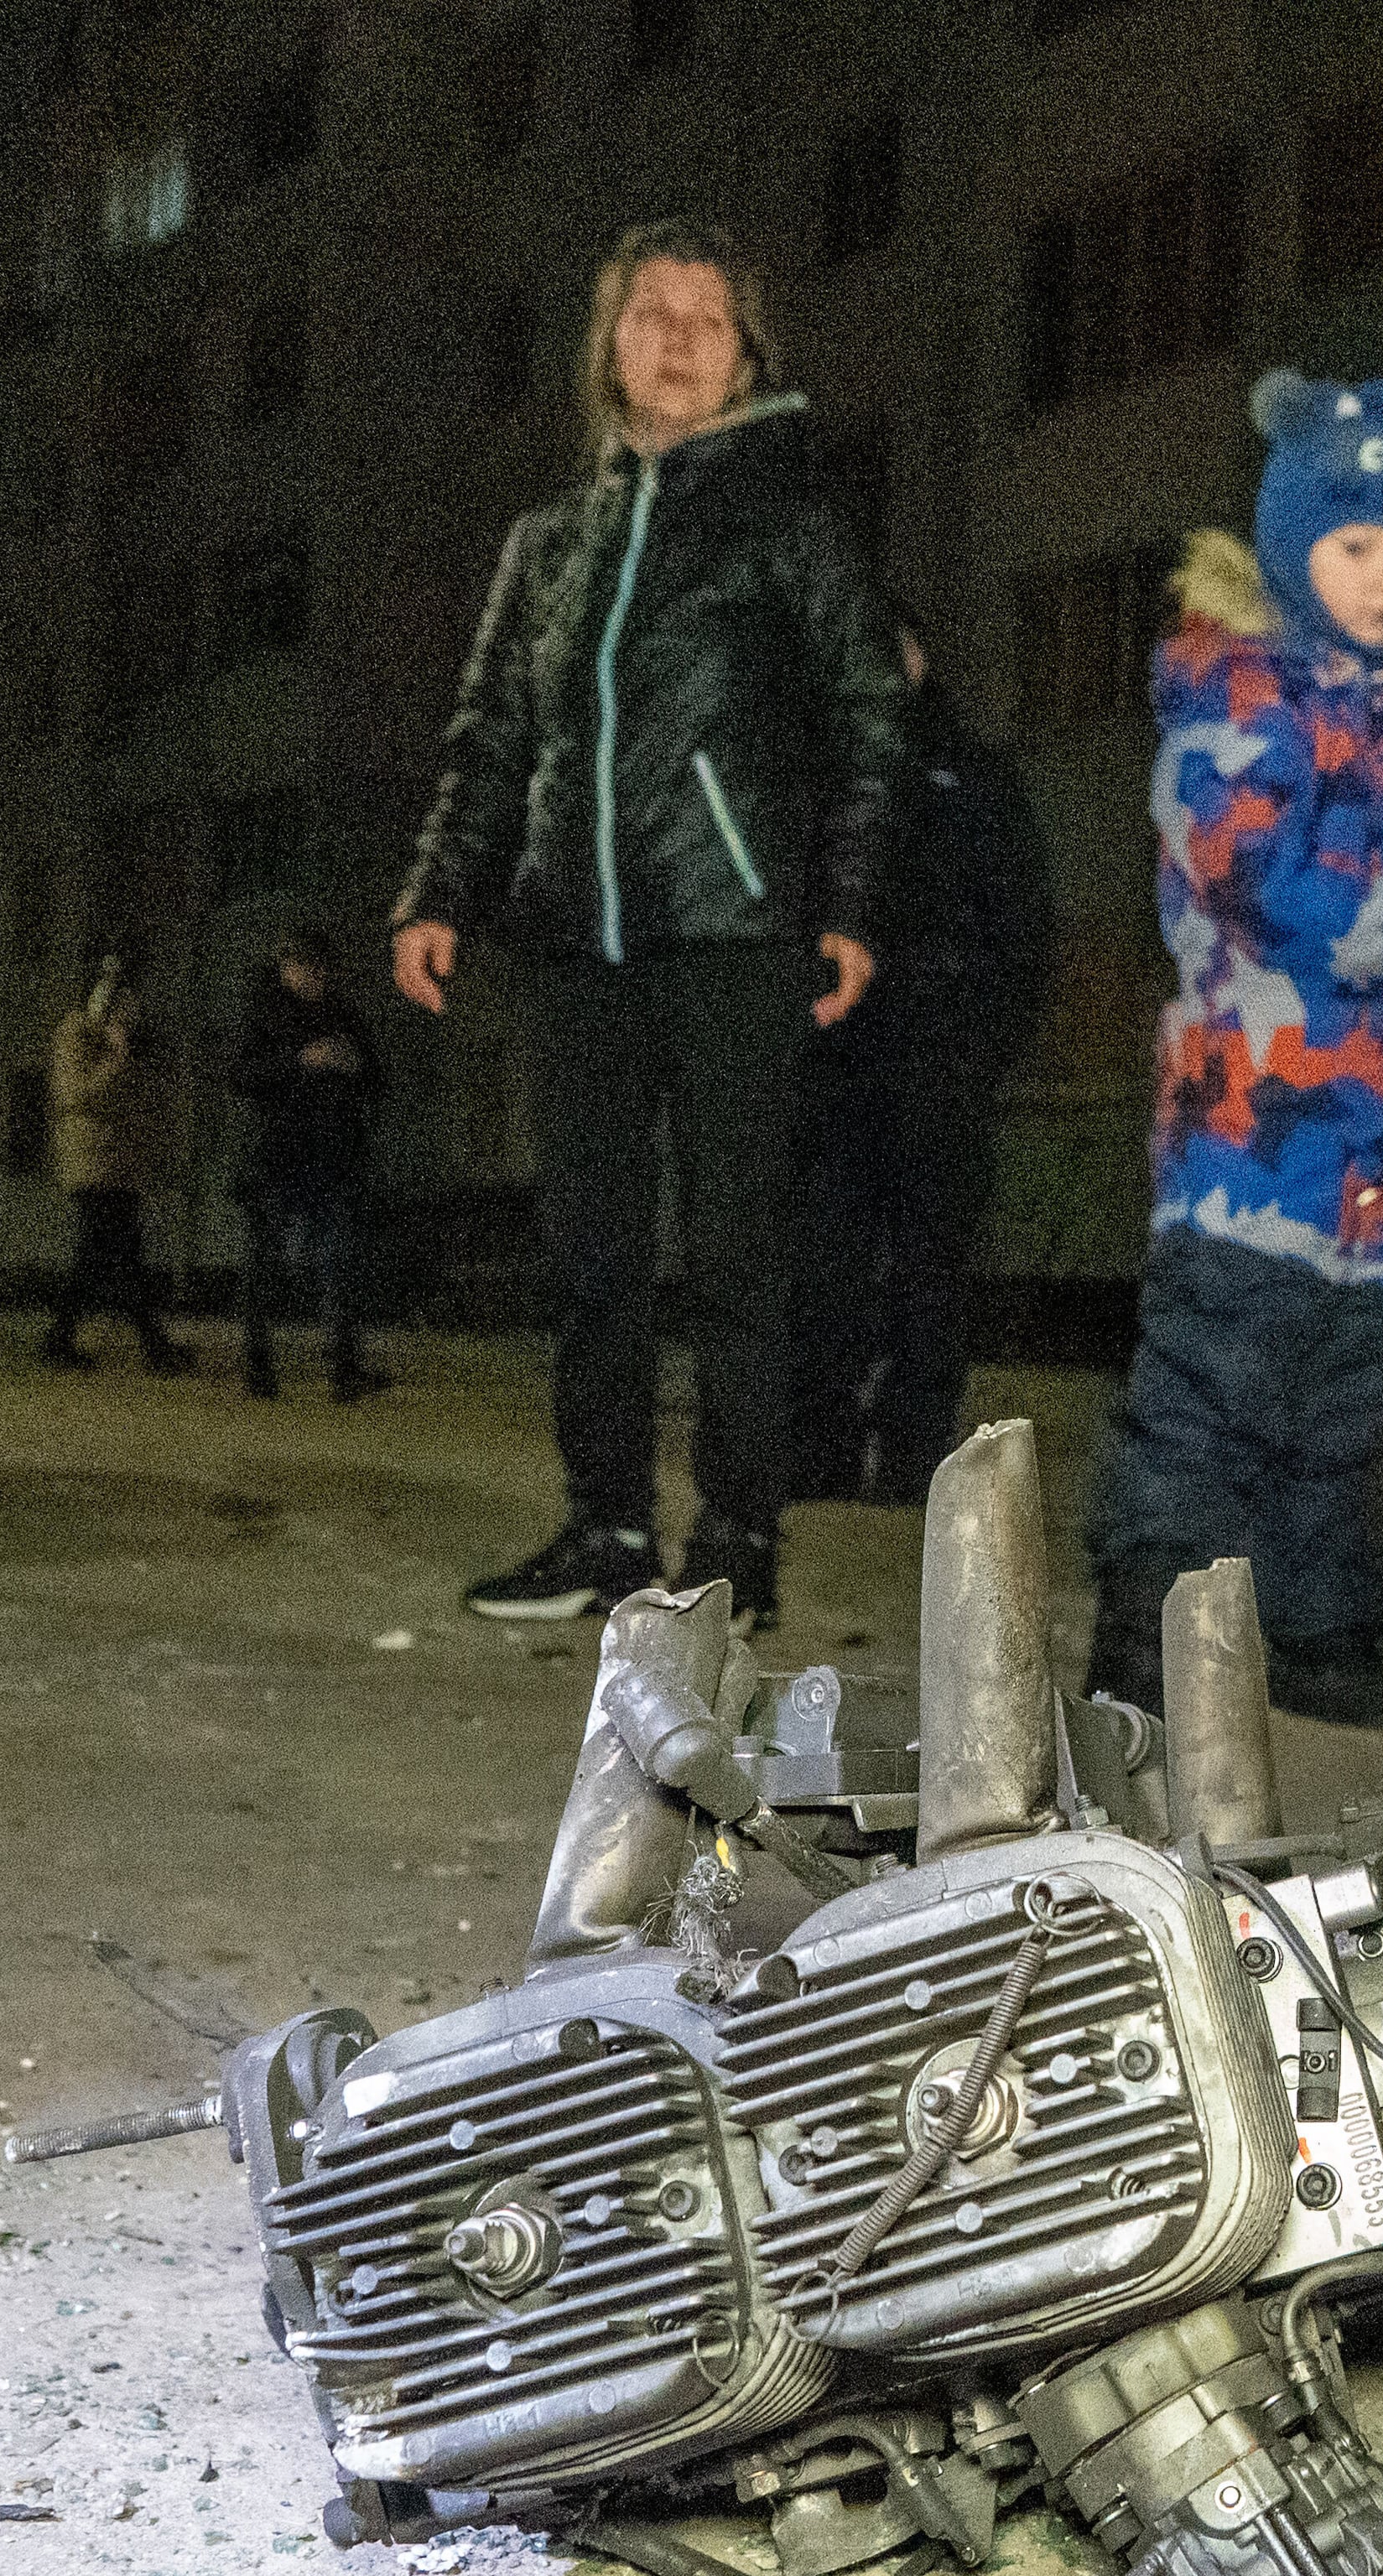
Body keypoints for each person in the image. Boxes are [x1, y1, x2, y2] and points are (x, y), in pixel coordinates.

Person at [390, 220, 907, 1632]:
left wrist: (849, 907)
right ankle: (606, 1527)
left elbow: (872, 716)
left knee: (739, 1257)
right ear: (607, 345)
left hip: (736, 933)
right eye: (649, 314)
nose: (677, 336)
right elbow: (494, 732)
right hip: (576, 946)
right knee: (592, 1259)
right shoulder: (548, 544)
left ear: (749, 356)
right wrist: (444, 892)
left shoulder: (791, 525)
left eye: (708, 317)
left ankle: (739, 1539)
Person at [1082, 371, 1383, 1731]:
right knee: (1214, 1391)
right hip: (1251, 1137)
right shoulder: (1239, 698)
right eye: (1357, 548)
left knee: (1352, 1407)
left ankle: (1321, 1627)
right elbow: (1240, 873)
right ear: (1297, 541)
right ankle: (1147, 1619)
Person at [789, 615, 1059, 1504]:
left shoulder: (971, 774)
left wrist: (983, 1044)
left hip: (942, 1061)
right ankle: (821, 1449)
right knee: (824, 1260)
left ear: (918, 657)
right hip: (839, 1061)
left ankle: (914, 1460)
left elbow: (1022, 921)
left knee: (931, 1268)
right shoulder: (817, 778)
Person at [230, 928, 383, 1403]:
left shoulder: (344, 1014)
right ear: (285, 968)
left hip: (334, 1154)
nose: (311, 976)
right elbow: (240, 1075)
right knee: (267, 1261)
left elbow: (378, 1077)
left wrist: (355, 1066)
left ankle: (342, 1366)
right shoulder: (263, 1014)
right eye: (301, 967)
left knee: (337, 1261)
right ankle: (258, 1364)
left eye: (318, 968)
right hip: (281, 1154)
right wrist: (300, 1061)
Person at [39, 959, 193, 1375]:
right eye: (121, 1003)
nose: (129, 1012)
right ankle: (153, 1347)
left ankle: (66, 1339)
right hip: (92, 1165)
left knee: (109, 1255)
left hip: (122, 1166)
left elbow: (144, 1102)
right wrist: (117, 1056)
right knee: (117, 1254)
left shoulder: (128, 1041)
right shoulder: (77, 1035)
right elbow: (77, 1096)